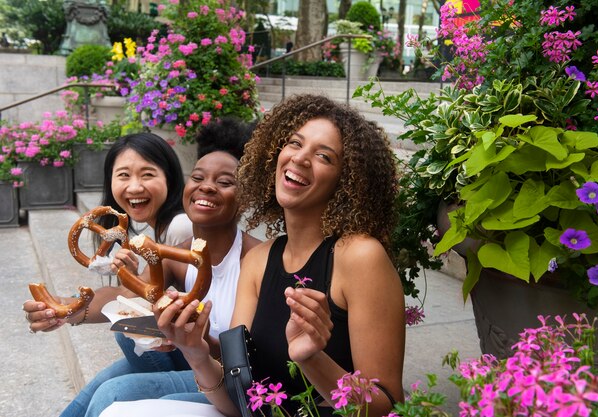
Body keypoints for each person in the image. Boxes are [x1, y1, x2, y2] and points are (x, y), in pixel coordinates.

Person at [101, 94, 406, 417]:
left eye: (324, 157)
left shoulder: (359, 256)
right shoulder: (259, 260)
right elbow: (238, 398)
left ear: (346, 183)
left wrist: (311, 358)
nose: (300, 158)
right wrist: (197, 351)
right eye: (294, 143)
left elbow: (387, 404)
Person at [73, 118, 260, 417]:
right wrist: (66, 310)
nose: (207, 187)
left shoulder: (257, 259)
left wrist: (194, 340)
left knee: (116, 391)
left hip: (238, 380)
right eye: (198, 178)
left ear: (246, 195)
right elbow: (126, 295)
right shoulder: (179, 252)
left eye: (225, 182)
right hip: (198, 357)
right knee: (108, 378)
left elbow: (247, 360)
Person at [22, 132, 193, 416]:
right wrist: (62, 309)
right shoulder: (150, 232)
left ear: (170, 178)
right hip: (182, 351)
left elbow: (135, 305)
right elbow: (124, 296)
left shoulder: (180, 229)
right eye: (123, 175)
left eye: (147, 174)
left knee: (114, 379)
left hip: (204, 359)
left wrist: (130, 287)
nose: (134, 186)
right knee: (98, 386)